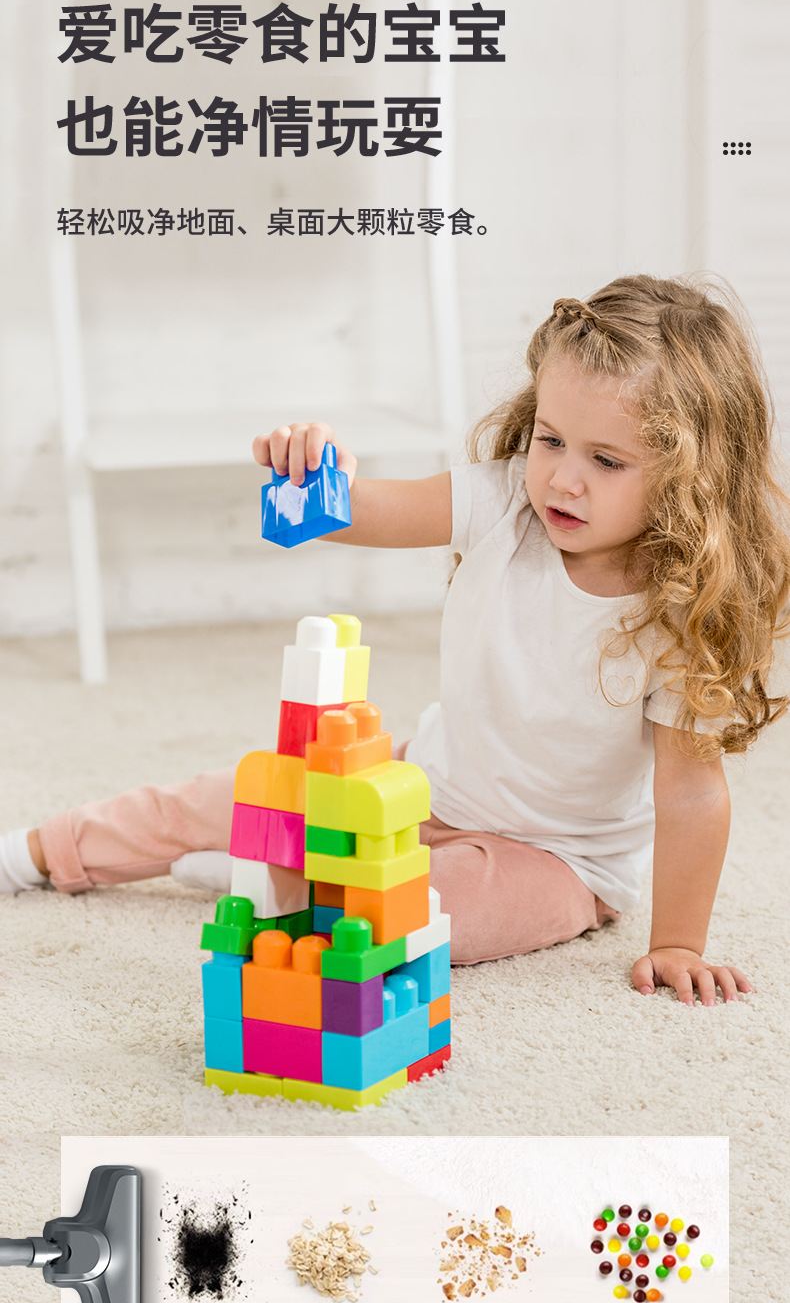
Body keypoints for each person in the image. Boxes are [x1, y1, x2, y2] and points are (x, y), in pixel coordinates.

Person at [2, 275, 788, 1006]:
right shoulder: (501, 503)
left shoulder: (680, 613)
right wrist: (314, 474)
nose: (561, 479)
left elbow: (690, 793)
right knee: (225, 796)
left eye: (606, 460)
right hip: (421, 783)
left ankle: (278, 883)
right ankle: (36, 852)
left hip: (557, 862)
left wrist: (677, 943)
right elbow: (348, 510)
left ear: (693, 479)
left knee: (401, 919)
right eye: (550, 440)